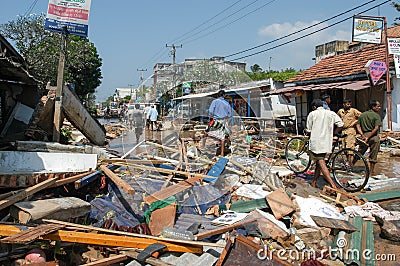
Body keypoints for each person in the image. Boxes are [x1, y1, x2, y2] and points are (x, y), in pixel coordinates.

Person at [306, 99, 343, 189]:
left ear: (314, 107)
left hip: (316, 143)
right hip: (327, 142)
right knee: (319, 162)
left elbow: (309, 129)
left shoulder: (312, 114)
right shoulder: (331, 113)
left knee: (321, 162)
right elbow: (341, 124)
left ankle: (333, 185)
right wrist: (334, 132)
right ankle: (314, 182)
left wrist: (307, 131)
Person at [356, 100, 382, 176]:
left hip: (364, 136)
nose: (379, 108)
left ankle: (351, 166)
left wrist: (363, 135)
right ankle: (371, 172)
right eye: (378, 106)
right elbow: (376, 128)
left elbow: (358, 125)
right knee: (373, 155)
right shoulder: (376, 116)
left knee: (359, 152)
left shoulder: (362, 115)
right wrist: (368, 136)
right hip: (373, 137)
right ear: (373, 107)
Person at [337, 98, 362, 164]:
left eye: (350, 104)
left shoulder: (353, 111)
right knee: (344, 147)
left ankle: (349, 163)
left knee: (350, 147)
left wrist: (356, 122)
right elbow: (337, 118)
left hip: (350, 130)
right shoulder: (340, 111)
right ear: (344, 104)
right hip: (343, 130)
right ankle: (348, 162)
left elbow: (361, 116)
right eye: (347, 104)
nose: (349, 105)